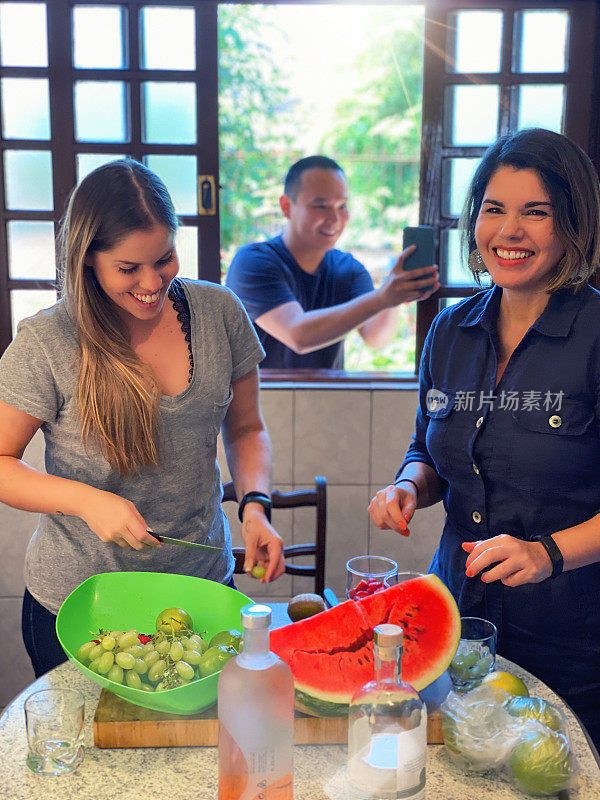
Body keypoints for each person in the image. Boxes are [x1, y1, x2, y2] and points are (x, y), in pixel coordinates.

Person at [0, 159, 285, 677]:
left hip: (201, 591)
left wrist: (256, 507)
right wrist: (87, 501)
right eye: (129, 269)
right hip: (80, 604)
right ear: (88, 261)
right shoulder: (46, 341)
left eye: (165, 258)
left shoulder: (220, 313)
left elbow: (246, 429)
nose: (152, 283)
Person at [368, 128, 600, 748]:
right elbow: (428, 450)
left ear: (572, 225)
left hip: (571, 636)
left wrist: (545, 552)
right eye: (494, 209)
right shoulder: (450, 331)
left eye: (536, 212)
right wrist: (407, 485)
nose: (509, 231)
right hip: (457, 620)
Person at [226, 155, 439, 368]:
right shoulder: (253, 262)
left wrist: (396, 298)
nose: (335, 219)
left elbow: (375, 338)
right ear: (286, 206)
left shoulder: (349, 269)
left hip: (327, 397)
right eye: (321, 206)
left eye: (342, 206)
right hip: (264, 399)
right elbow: (298, 335)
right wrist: (383, 298)